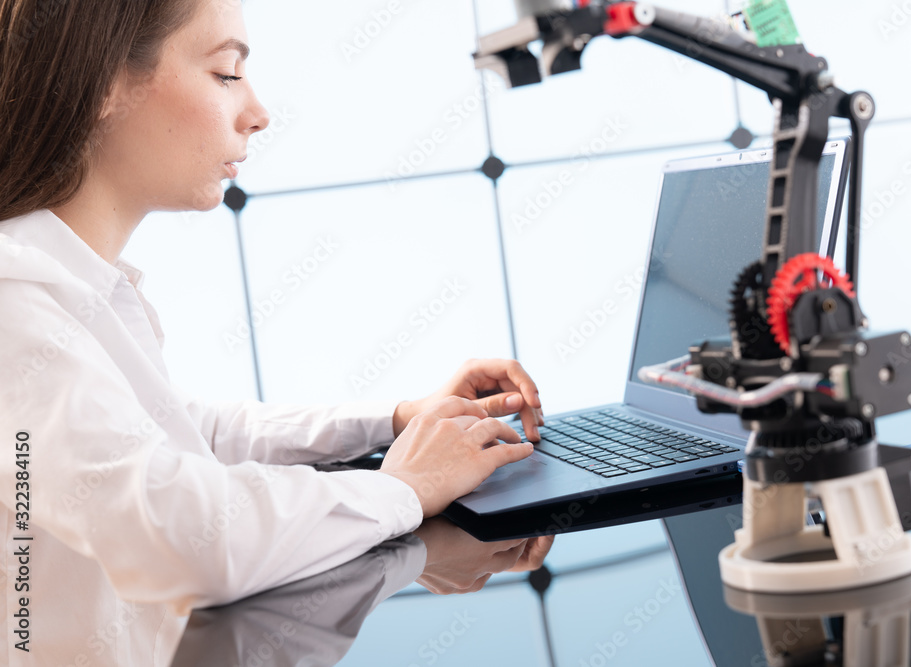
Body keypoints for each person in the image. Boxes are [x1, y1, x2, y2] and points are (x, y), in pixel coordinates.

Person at [0, 0, 552, 663]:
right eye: (227, 73)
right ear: (106, 85)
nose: (258, 112)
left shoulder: (73, 288)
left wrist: (395, 421)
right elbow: (184, 536)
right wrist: (402, 487)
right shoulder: (17, 305)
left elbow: (188, 434)